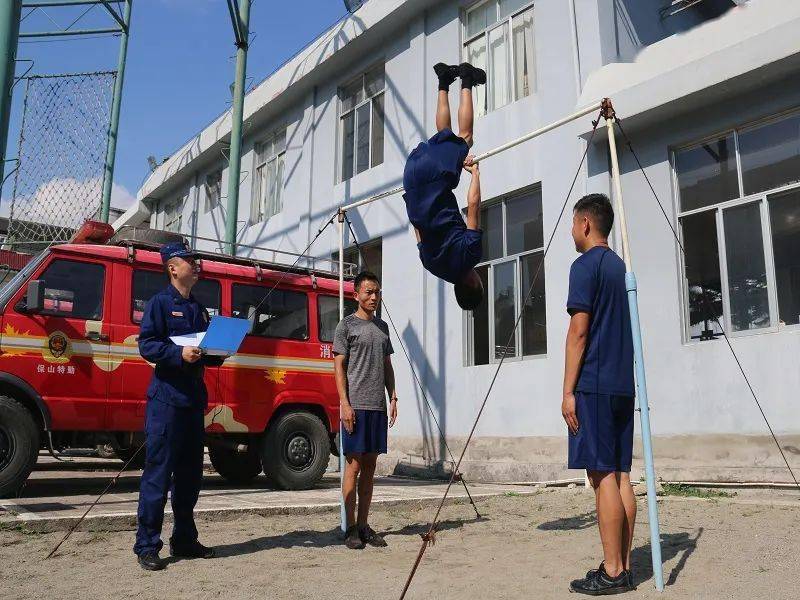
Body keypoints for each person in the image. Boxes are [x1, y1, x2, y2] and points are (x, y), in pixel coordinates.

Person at [133, 241, 225, 571]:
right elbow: (147, 344)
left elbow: (201, 352)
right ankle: (147, 545)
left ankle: (184, 539)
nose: (195, 264)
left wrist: (219, 351)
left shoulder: (199, 309)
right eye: (189, 260)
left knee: (189, 478)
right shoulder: (159, 304)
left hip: (191, 404)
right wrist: (177, 354)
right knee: (158, 475)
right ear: (173, 268)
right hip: (166, 403)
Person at [562, 193, 637, 595]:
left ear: (586, 224)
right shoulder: (620, 267)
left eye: (575, 223)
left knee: (601, 475)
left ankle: (612, 571)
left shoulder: (585, 266)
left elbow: (579, 331)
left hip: (593, 383)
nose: (572, 231)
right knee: (622, 474)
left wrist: (567, 391)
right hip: (622, 384)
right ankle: (623, 564)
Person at [403, 62, 486, 310]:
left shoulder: (470, 255)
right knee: (446, 135)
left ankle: (467, 79)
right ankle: (443, 80)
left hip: (434, 177)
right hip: (411, 179)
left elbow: (473, 205)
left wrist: (475, 174)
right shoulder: (432, 266)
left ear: (473, 284)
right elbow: (418, 230)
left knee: (466, 138)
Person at [333, 271, 398, 549]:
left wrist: (393, 395)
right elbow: (338, 366)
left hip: (377, 407)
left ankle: (363, 524)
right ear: (356, 294)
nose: (374, 297)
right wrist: (344, 403)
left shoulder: (382, 328)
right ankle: (349, 529)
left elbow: (386, 365)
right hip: (355, 407)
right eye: (369, 292)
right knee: (354, 466)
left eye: (377, 292)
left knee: (370, 467)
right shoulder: (346, 326)